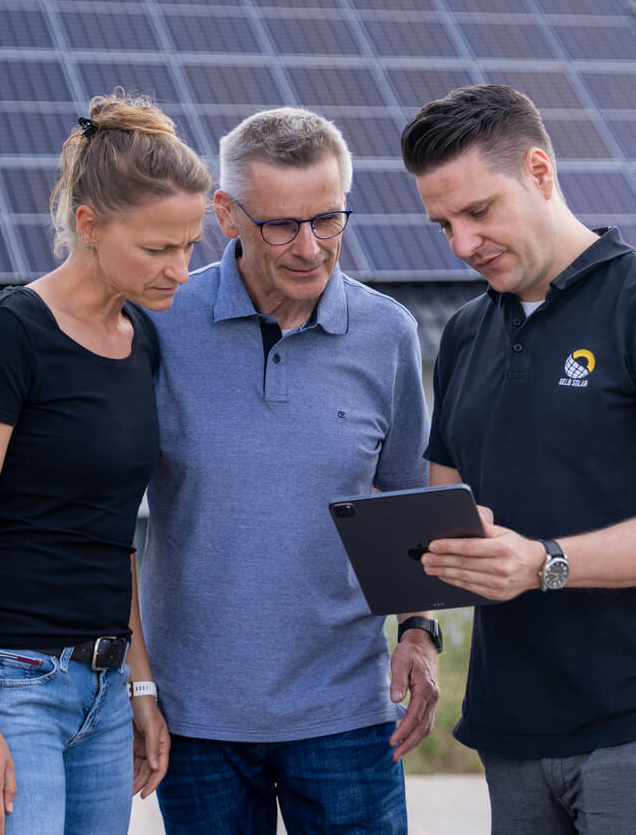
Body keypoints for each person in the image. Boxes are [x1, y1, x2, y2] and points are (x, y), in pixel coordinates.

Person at [400, 84, 636, 834]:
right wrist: (419, 628)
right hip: (515, 730)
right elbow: (443, 517)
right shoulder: (465, 333)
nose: (463, 244)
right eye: (443, 225)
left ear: (539, 170)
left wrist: (542, 561)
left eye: (479, 211)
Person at [0, 94, 212, 835]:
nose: (179, 269)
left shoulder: (140, 337)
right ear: (89, 225)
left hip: (102, 696)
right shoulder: (6, 335)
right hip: (6, 684)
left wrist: (139, 683)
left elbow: (114, 534)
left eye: (189, 246)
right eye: (156, 249)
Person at [140, 107, 439, 835]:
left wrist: (421, 630)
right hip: (196, 717)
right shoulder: (156, 322)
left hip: (347, 714)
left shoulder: (387, 334)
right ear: (226, 215)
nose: (310, 248)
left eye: (329, 220)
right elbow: (109, 510)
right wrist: (139, 683)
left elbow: (409, 499)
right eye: (282, 225)